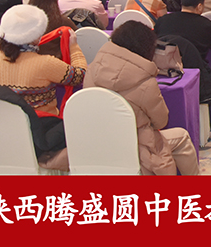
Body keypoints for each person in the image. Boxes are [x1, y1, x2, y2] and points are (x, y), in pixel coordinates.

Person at [85, 20, 199, 175]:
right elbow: (161, 121)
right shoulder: (145, 82)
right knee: (182, 136)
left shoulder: (92, 68)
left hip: (96, 145)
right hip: (135, 149)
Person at [0, 4, 86, 116]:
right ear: (35, 36)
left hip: (7, 119)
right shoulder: (45, 63)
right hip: (43, 122)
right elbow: (80, 76)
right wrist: (74, 47)